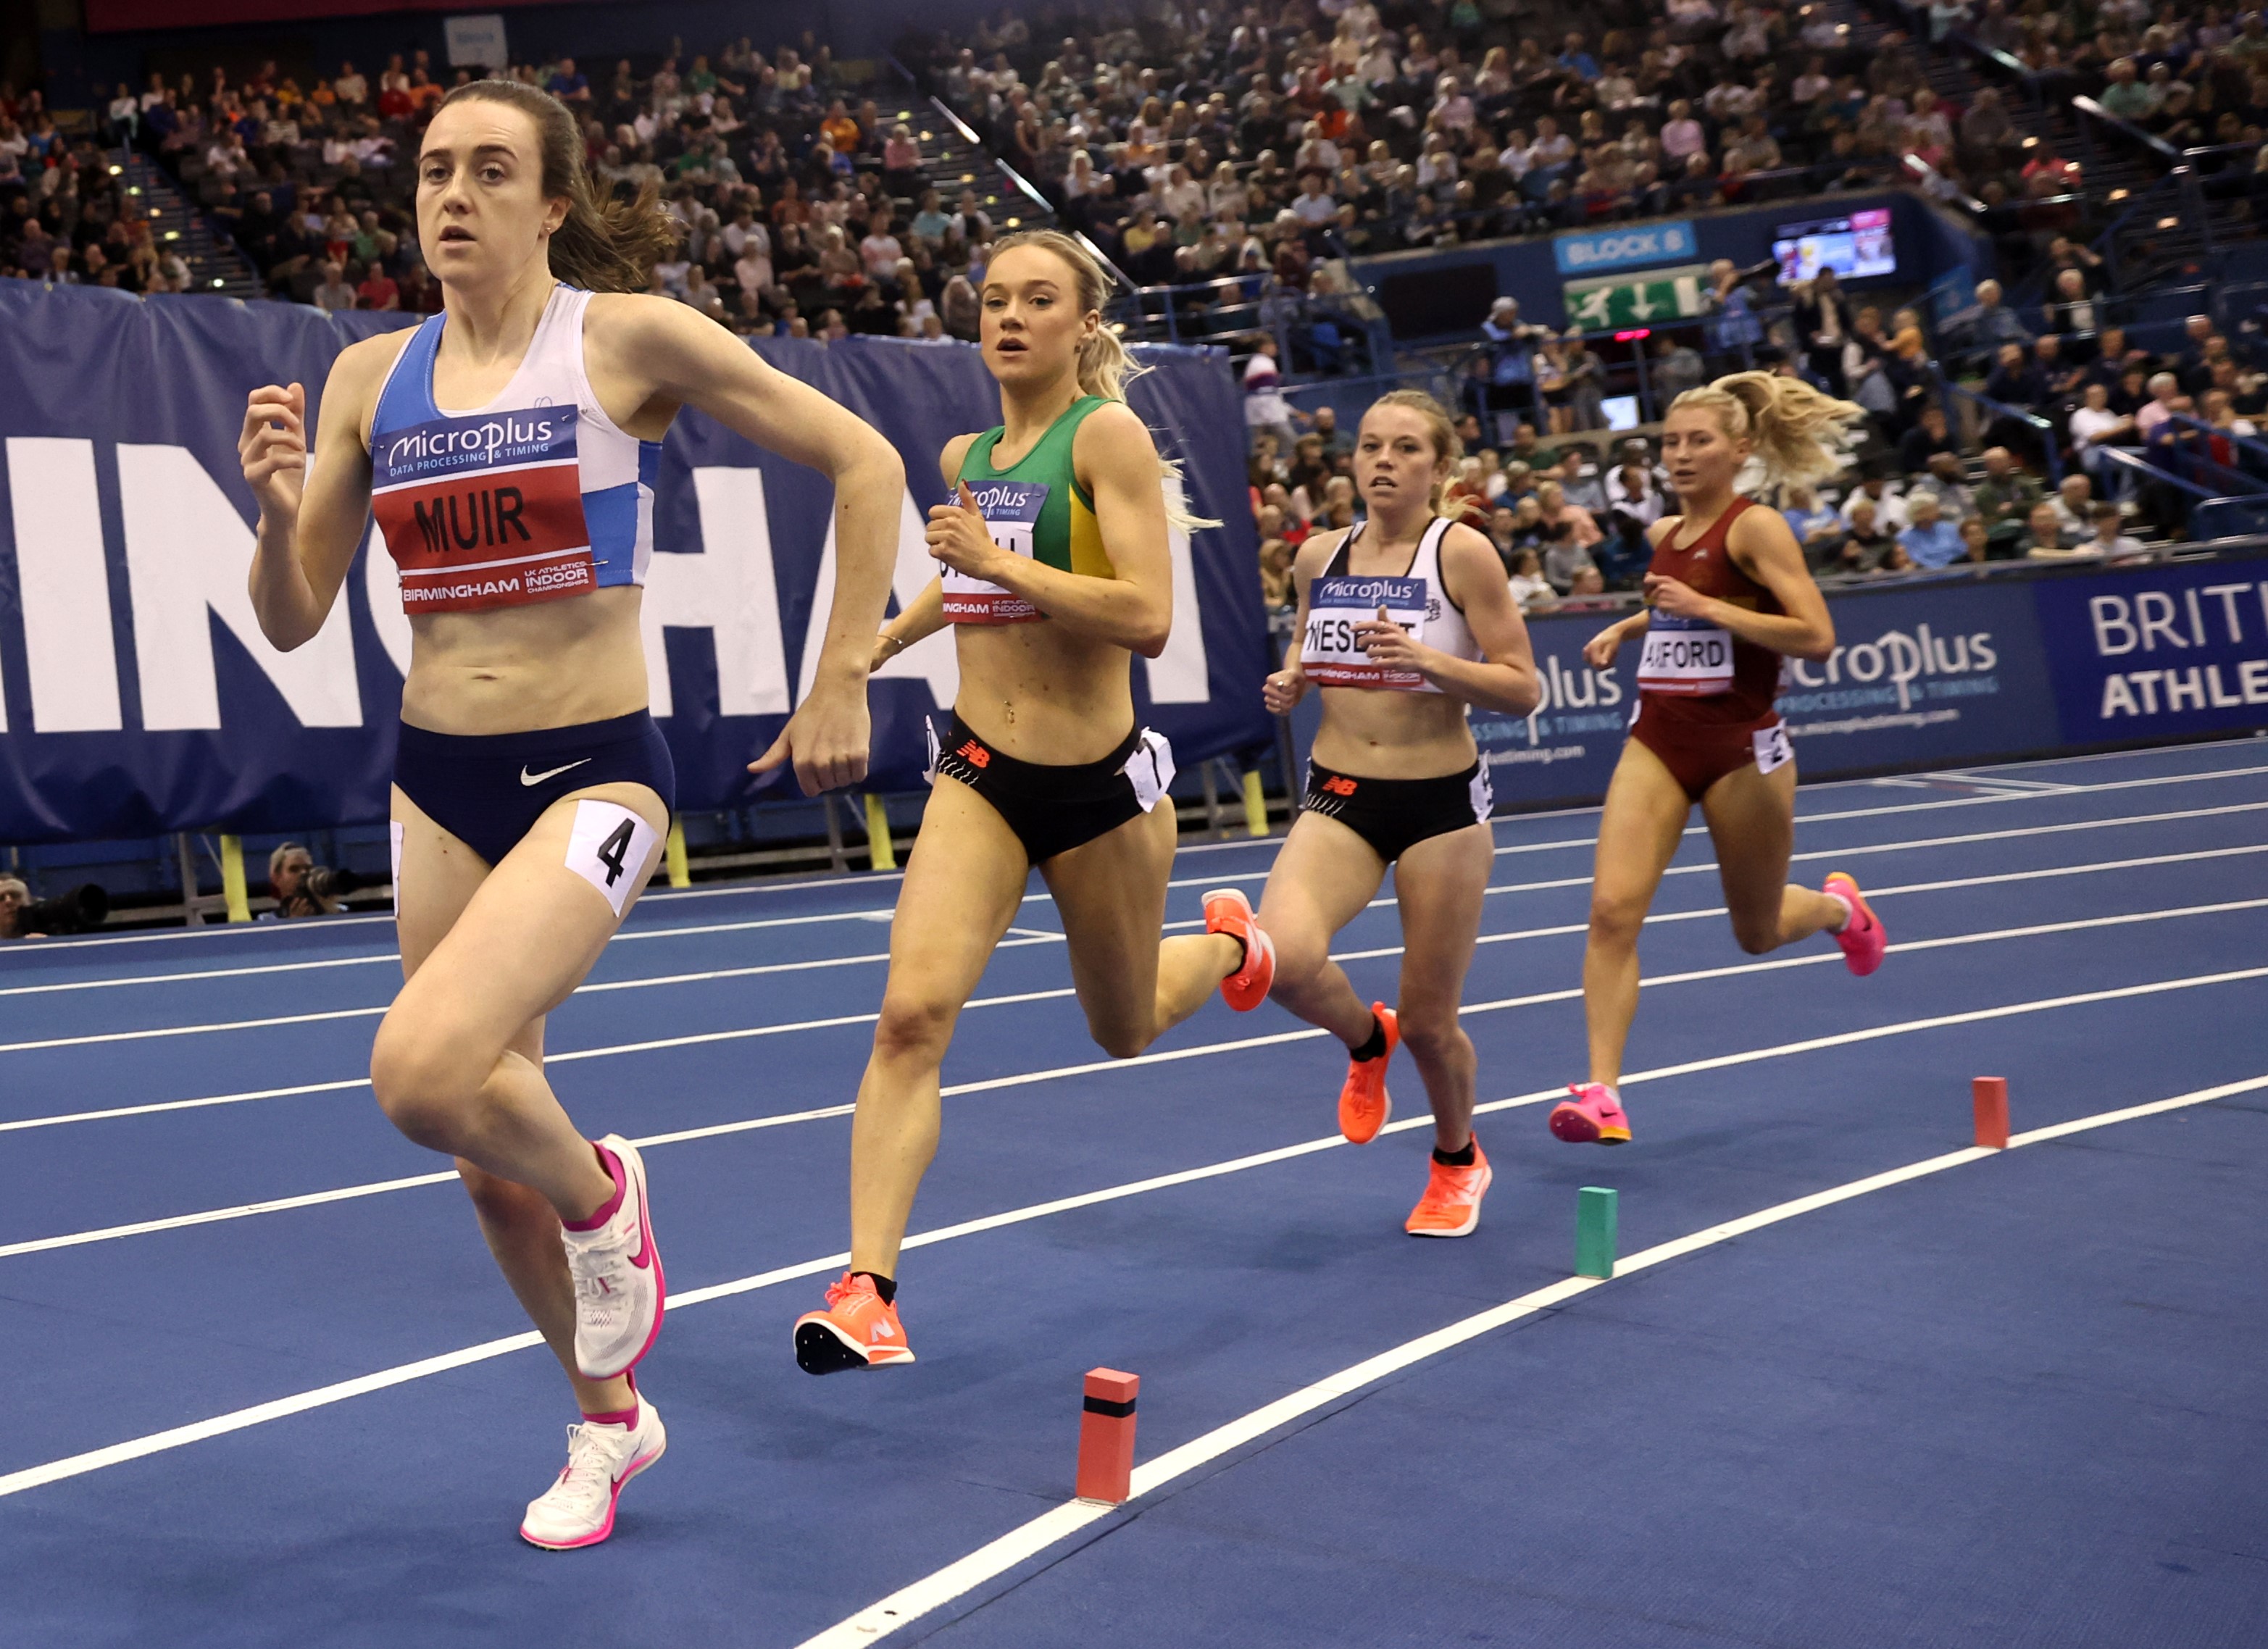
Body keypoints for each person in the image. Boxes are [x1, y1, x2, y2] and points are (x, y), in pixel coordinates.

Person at [238, 80, 903, 1549]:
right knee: (481, 1163)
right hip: (440, 781)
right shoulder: (366, 380)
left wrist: (843, 663)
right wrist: (279, 509)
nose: (454, 195)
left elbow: (864, 461)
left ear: (549, 204)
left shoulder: (621, 338)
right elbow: (292, 618)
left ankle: (608, 1197)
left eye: (490, 171)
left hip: (591, 773)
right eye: (432, 172)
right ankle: (610, 1423)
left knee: (419, 1069)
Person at [791, 230, 1268, 1374]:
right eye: (993, 299)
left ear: (1081, 326)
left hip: (1100, 794)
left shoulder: (1104, 437)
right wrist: (867, 653)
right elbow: (961, 582)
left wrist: (1001, 569)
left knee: (1124, 1028)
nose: (1008, 317)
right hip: (981, 775)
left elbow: (1147, 615)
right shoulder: (968, 450)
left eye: (1036, 299)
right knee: (910, 1016)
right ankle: (868, 1288)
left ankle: (1228, 942)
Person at [1551, 374, 1888, 1147]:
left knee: (1758, 929)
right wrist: (1631, 628)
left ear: (1739, 449)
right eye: (1670, 441)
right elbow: (1684, 599)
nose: (1679, 454)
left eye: (1697, 440)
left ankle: (1840, 908)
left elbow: (1815, 634)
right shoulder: (1665, 530)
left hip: (1743, 750)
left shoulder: (1756, 525)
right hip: (1658, 738)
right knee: (1610, 911)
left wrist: (1704, 609)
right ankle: (1602, 1090)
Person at [1251, 392, 1539, 1235]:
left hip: (1438, 807)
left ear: (1438, 469)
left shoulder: (1463, 554)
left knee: (1429, 1020)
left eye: (1405, 448)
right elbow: (1311, 641)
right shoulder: (1316, 555)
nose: (1381, 460)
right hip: (1338, 793)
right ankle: (1360, 1040)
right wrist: (1296, 676)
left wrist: (1427, 660)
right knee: (1281, 960)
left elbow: (1523, 686)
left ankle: (1457, 1158)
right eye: (1369, 444)